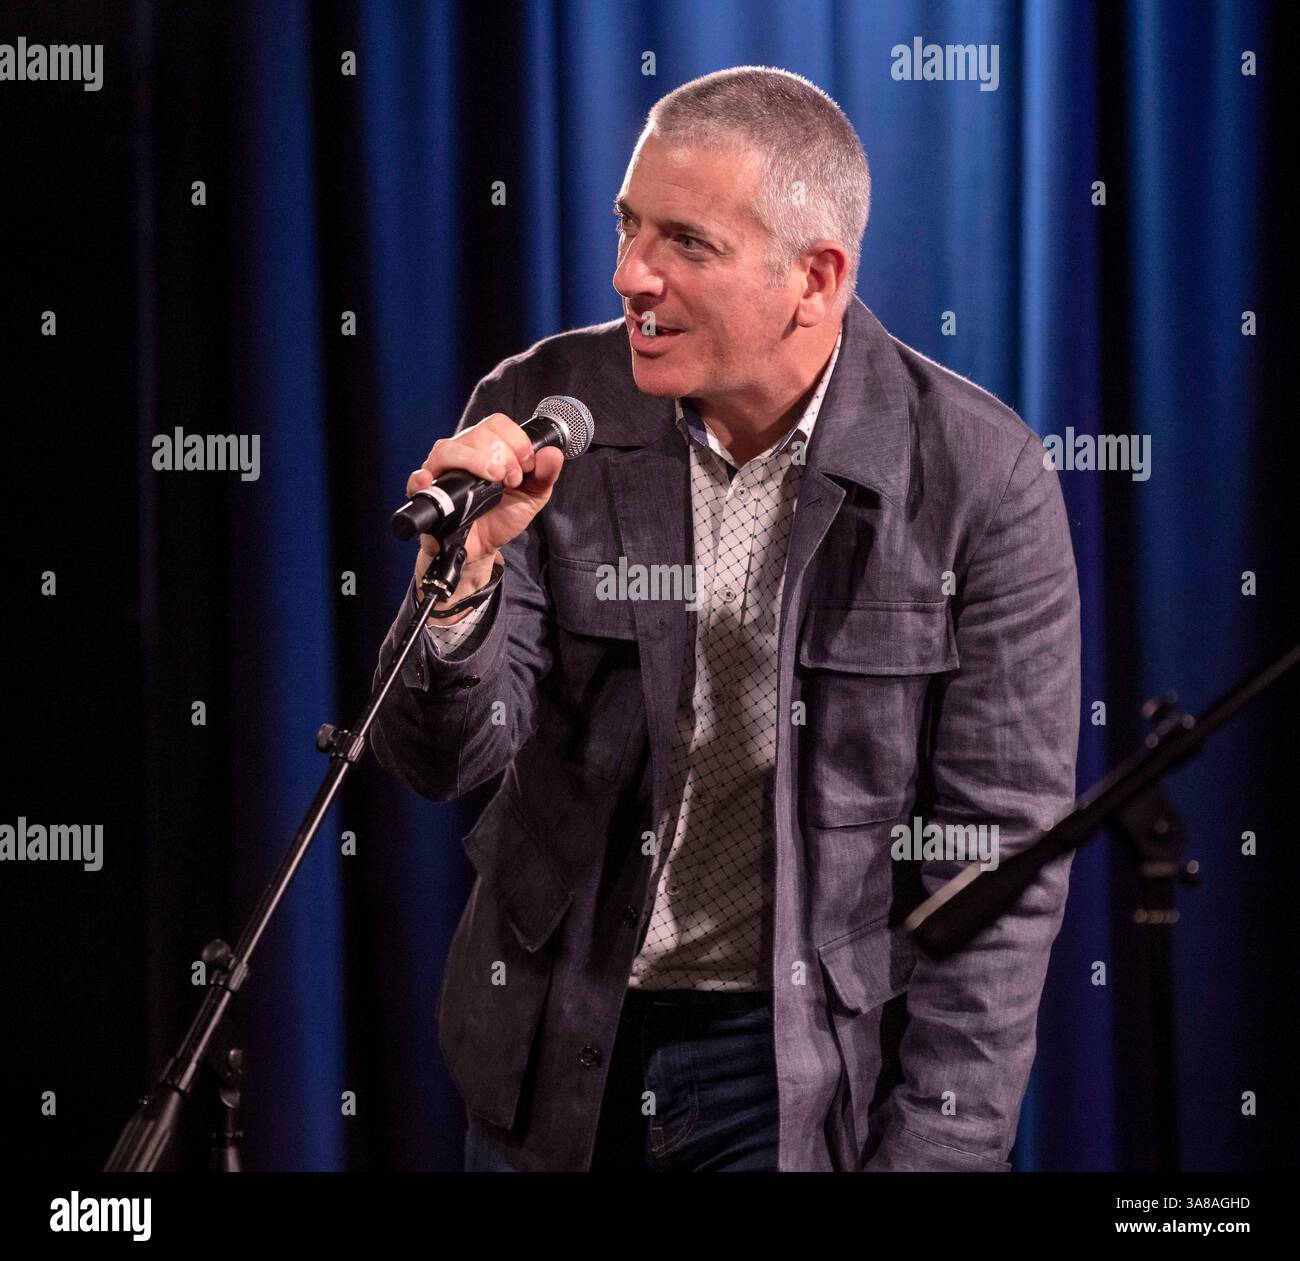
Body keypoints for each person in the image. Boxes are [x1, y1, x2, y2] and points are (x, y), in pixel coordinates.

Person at [371, 66, 1080, 1173]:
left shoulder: (980, 480)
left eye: (685, 244)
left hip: (797, 1070)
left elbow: (996, 872)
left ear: (815, 277)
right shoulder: (549, 407)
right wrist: (456, 580)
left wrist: (940, 1153)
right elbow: (439, 759)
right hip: (556, 1045)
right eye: (626, 227)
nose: (628, 276)